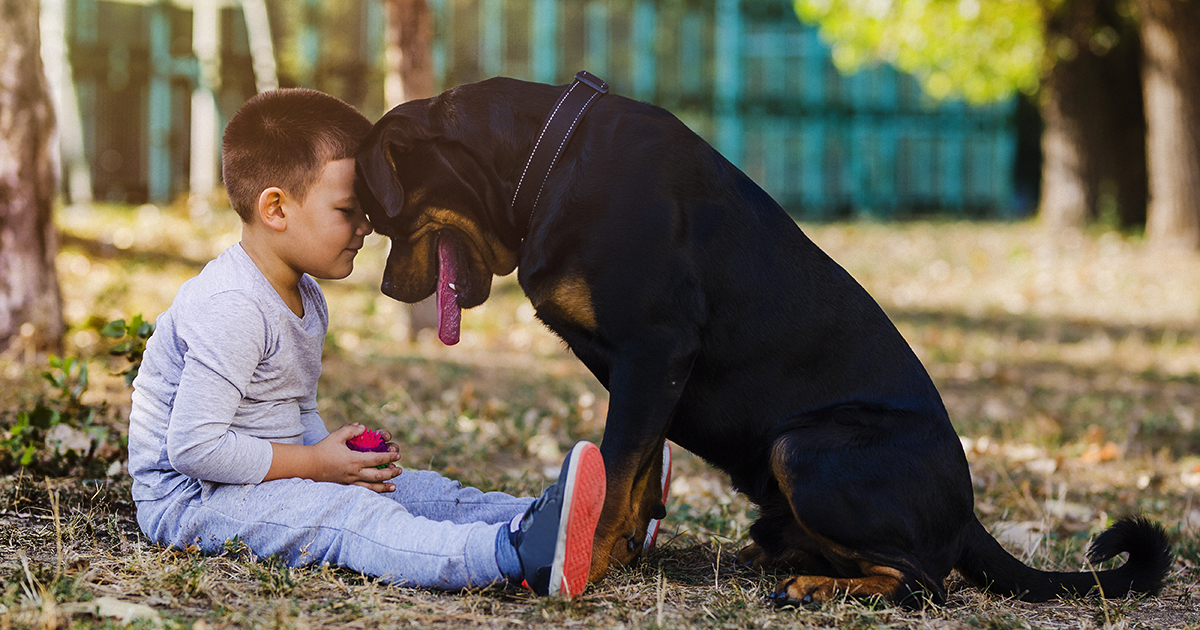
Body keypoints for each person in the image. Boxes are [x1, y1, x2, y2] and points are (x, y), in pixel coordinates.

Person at [127, 88, 606, 598]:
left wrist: (340, 460)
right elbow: (195, 449)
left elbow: (289, 412)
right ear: (275, 208)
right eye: (348, 209)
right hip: (193, 500)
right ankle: (515, 553)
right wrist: (317, 466)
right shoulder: (233, 305)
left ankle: (587, 522)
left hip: (252, 479)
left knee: (416, 490)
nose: (368, 227)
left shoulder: (305, 294)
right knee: (352, 515)